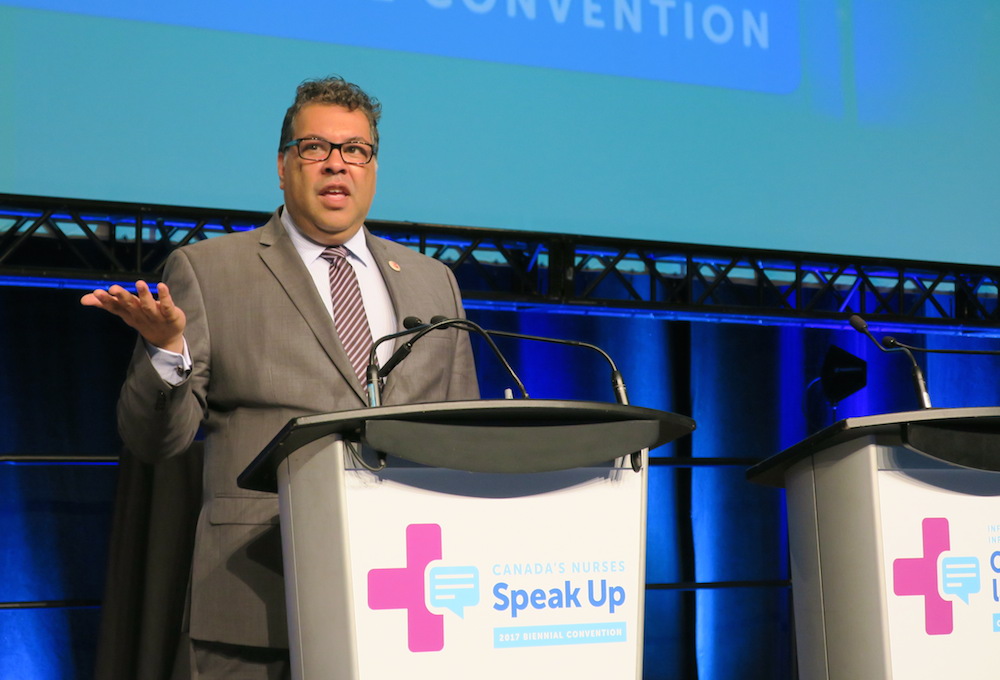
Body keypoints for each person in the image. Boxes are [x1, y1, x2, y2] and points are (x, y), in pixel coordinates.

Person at [82, 76, 480, 679]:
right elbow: (154, 440)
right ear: (282, 164)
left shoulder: (433, 282)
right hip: (259, 595)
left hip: (411, 601)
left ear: (373, 166)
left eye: (355, 150)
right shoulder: (212, 270)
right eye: (314, 148)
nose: (335, 165)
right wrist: (167, 351)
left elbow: (464, 440)